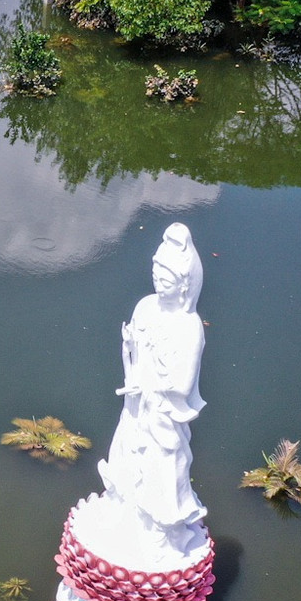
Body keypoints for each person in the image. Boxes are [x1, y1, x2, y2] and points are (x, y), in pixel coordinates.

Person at [98, 224, 207, 546]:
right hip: (137, 405)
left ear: (184, 286)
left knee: (164, 465)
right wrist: (131, 366)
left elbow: (183, 384)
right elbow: (131, 352)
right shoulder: (144, 306)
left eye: (168, 280)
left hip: (161, 413)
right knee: (127, 454)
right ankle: (125, 509)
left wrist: (153, 381)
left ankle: (164, 530)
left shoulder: (188, 327)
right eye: (157, 275)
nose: (159, 284)